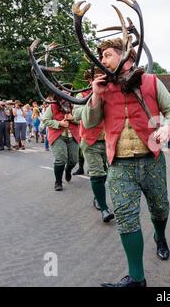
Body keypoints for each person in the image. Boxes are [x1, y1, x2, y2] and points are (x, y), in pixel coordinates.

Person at [83, 38, 170, 287]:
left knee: (160, 208)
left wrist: (169, 125)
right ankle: (137, 278)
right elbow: (90, 122)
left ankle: (160, 236)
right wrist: (95, 96)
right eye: (102, 56)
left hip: (153, 160)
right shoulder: (102, 87)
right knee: (126, 217)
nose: (102, 60)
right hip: (120, 164)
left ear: (127, 58)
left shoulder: (152, 81)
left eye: (107, 55)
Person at [73, 68, 114, 223]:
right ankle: (104, 208)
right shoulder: (81, 96)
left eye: (101, 76)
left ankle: (98, 197)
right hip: (91, 141)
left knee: (110, 174)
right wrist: (95, 101)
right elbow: (77, 115)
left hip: (110, 140)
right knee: (97, 174)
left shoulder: (111, 93)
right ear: (90, 80)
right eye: (95, 77)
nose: (99, 79)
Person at [43, 95, 80, 191]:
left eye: (67, 93)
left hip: (73, 136)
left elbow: (82, 120)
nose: (65, 95)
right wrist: (59, 123)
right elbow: (45, 120)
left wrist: (73, 119)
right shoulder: (52, 106)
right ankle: (58, 181)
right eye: (62, 93)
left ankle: (68, 170)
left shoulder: (74, 107)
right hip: (58, 136)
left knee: (74, 160)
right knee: (60, 159)